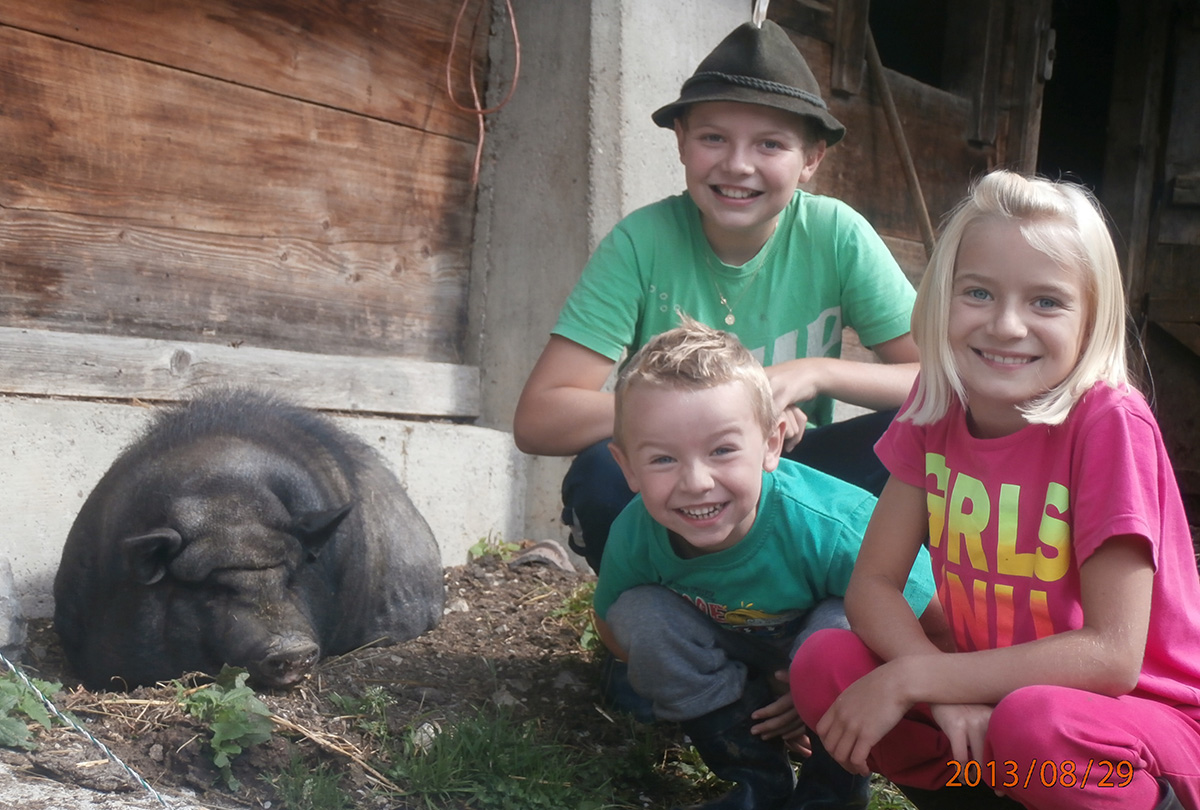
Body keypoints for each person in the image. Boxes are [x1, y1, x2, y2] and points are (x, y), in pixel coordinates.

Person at [789, 170, 1200, 810]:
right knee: (826, 666)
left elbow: (1113, 656)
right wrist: (941, 691)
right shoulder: (935, 406)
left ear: (1092, 319)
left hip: (1130, 723)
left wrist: (919, 675)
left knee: (1035, 730)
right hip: (993, 706)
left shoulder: (1108, 422)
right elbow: (872, 585)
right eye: (978, 292)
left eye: (1046, 302)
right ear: (940, 298)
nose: (1007, 326)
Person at [513, 19, 920, 577]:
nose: (737, 165)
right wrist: (704, 419)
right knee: (600, 474)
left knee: (922, 441)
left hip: (794, 479)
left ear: (812, 158)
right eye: (713, 138)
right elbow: (540, 416)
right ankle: (652, 614)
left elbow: (943, 381)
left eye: (770, 144)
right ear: (680, 140)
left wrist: (817, 373)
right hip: (687, 486)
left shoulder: (836, 236)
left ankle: (847, 602)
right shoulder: (643, 243)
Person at [593, 317, 943, 810]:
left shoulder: (832, 525)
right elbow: (611, 625)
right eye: (662, 460)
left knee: (845, 621)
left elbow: (931, 616)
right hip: (741, 664)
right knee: (641, 616)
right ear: (626, 466)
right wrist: (720, 690)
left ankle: (832, 790)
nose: (696, 482)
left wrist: (814, 686)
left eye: (722, 451)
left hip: (829, 659)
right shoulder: (636, 532)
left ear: (772, 443)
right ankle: (755, 779)